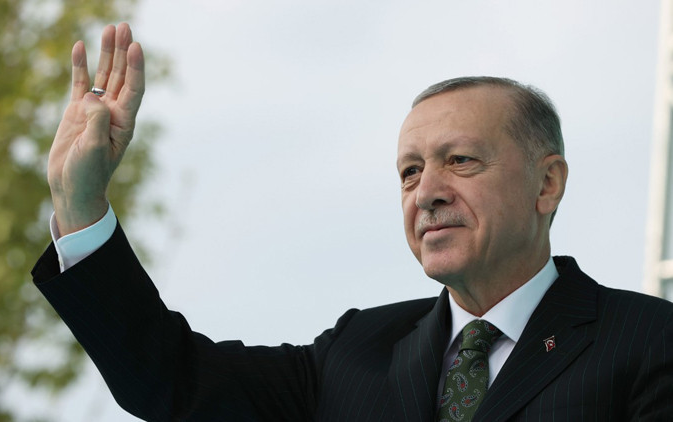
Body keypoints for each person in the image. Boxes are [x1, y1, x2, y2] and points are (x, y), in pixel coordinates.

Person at [33, 23, 673, 421]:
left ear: (547, 183)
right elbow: (171, 380)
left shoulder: (649, 343)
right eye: (410, 172)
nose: (428, 193)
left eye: (460, 160)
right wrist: (79, 205)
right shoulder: (357, 353)